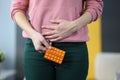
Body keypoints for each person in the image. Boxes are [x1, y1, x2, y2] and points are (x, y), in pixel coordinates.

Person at [10, 0, 103, 80]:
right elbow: (17, 8)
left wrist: (74, 25)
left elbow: (95, 4)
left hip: (73, 50)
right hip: (37, 48)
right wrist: (33, 34)